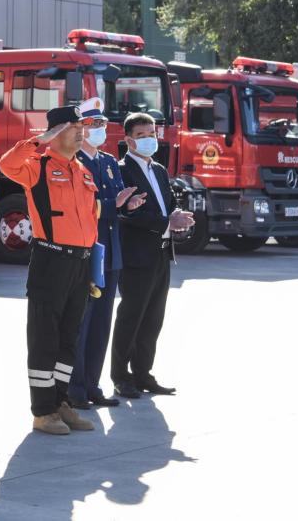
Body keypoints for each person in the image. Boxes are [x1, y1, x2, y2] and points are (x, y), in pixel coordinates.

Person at [0, 104, 100, 435]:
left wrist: (92, 267)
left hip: (80, 263)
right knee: (45, 337)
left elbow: (90, 222)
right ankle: (42, 411)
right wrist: (38, 140)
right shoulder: (37, 166)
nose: (81, 130)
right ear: (56, 132)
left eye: (81, 126)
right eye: (73, 126)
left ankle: (60, 402)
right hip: (51, 260)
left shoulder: (83, 171)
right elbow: (6, 165)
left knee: (68, 338)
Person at [111, 112, 196, 399]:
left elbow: (167, 205)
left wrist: (177, 216)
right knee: (131, 316)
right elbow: (128, 214)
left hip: (161, 253)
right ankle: (121, 377)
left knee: (153, 318)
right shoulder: (121, 170)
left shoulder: (158, 169)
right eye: (141, 135)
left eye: (152, 134)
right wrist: (165, 223)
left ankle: (143, 374)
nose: (149, 139)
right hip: (136, 255)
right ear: (128, 141)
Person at [69, 98, 146, 410]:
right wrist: (113, 205)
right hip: (88, 250)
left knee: (102, 322)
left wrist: (127, 206)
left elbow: (114, 208)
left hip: (111, 251)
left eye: (102, 124)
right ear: (81, 129)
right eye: (94, 124)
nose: (101, 129)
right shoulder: (75, 162)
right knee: (82, 321)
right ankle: (74, 388)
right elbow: (81, 208)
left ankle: (92, 384)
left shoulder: (109, 162)